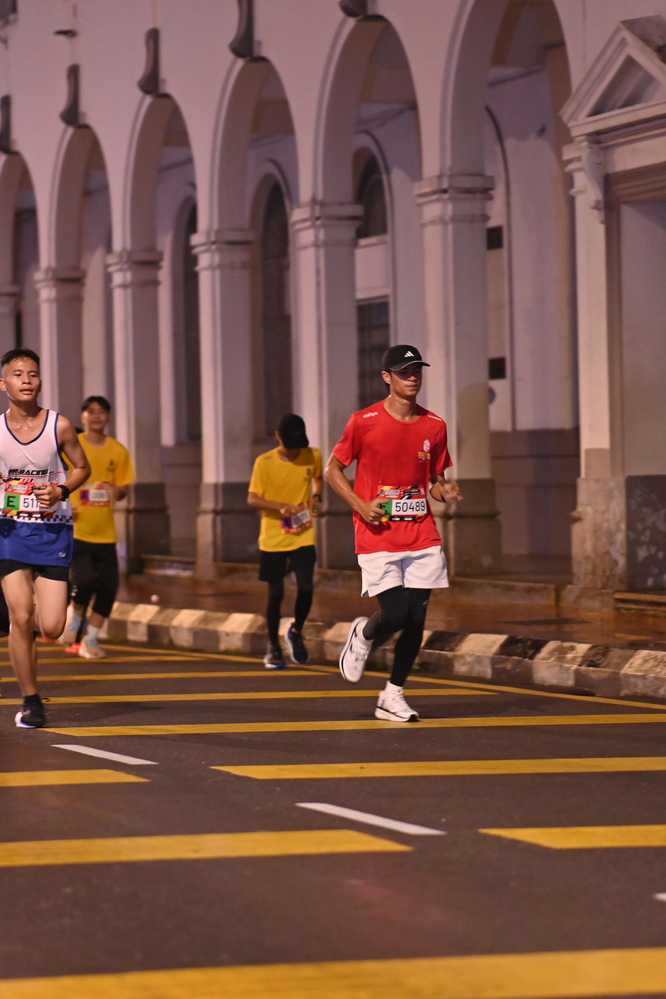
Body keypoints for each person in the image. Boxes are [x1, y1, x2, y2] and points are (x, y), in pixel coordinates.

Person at [324, 344, 462, 722]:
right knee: (396, 614)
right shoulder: (363, 421)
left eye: (417, 370)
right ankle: (365, 634)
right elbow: (332, 470)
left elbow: (435, 483)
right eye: (404, 372)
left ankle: (392, 695)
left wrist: (445, 492)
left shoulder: (434, 426)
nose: (412, 377)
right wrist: (359, 504)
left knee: (416, 619)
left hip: (422, 533)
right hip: (377, 533)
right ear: (387, 377)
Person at [0, 348, 90, 728]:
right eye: (18, 374)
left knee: (51, 627)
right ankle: (31, 701)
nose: (26, 380)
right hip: (9, 530)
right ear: (3, 384)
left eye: (33, 374)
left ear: (40, 382)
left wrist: (61, 491)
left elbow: (82, 467)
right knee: (21, 615)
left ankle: (29, 629)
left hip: (53, 530)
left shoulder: (60, 425)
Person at [59, 395, 135, 659]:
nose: (96, 416)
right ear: (83, 416)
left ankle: (90, 639)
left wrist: (116, 491)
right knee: (83, 583)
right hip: (77, 530)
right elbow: (55, 476)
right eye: (90, 411)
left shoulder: (117, 450)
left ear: (108, 417)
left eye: (101, 411)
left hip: (106, 534)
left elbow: (123, 489)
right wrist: (64, 503)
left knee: (107, 589)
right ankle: (75, 613)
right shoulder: (72, 445)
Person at [247, 413, 323, 668]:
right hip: (273, 537)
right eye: (290, 446)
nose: (294, 451)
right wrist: (279, 506)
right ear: (277, 436)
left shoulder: (312, 455)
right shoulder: (264, 462)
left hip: (303, 533)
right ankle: (273, 647)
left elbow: (318, 478)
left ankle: (296, 631)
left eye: (298, 446)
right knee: (275, 593)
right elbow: (252, 498)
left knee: (306, 588)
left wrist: (317, 497)